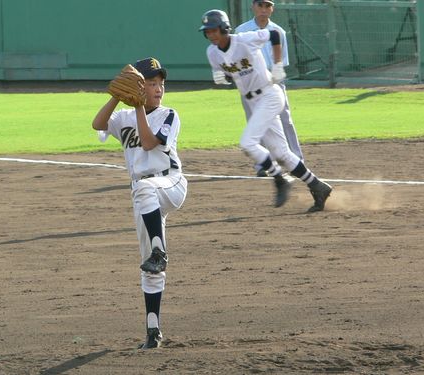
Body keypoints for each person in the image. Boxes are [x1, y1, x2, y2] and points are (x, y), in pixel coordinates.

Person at [92, 57, 188, 349]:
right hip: (142, 197)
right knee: (149, 267)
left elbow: (148, 143)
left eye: (161, 83)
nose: (158, 88)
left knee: (146, 189)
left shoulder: (169, 114)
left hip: (169, 184)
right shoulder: (122, 117)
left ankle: (159, 250)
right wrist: (115, 97)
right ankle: (153, 331)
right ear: (138, 86)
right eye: (151, 83)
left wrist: (136, 107)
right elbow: (97, 124)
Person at [199, 9, 332, 212]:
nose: (210, 34)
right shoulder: (212, 53)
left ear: (225, 28)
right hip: (253, 102)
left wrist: (278, 65)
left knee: (247, 143)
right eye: (207, 31)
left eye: (214, 30)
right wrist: (221, 77)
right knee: (281, 153)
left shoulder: (244, 39)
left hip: (269, 95)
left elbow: (276, 34)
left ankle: (280, 179)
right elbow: (230, 73)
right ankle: (318, 186)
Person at [236, 0, 304, 176]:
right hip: (251, 85)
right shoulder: (241, 31)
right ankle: (263, 165)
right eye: (260, 5)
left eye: (268, 6)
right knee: (256, 124)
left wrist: (278, 71)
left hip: (273, 83)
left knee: (285, 120)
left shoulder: (278, 31)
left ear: (272, 9)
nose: (264, 9)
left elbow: (282, 61)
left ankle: (296, 159)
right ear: (253, 6)